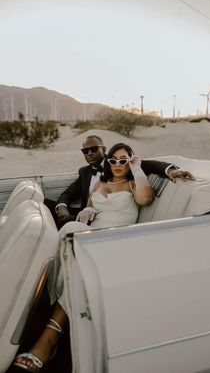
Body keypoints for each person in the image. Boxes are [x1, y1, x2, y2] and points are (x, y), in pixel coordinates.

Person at [14, 143, 155, 371]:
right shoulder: (100, 183)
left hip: (115, 239)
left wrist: (137, 168)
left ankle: (50, 335)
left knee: (74, 242)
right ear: (107, 162)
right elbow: (89, 208)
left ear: (130, 161)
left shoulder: (133, 182)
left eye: (124, 160)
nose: (118, 165)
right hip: (90, 232)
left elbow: (145, 199)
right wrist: (88, 211)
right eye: (113, 160)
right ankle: (41, 305)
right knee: (70, 228)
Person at [45, 134, 195, 228]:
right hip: (88, 218)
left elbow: (152, 166)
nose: (89, 153)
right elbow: (70, 192)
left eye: (93, 149)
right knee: (48, 206)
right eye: (85, 151)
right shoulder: (86, 173)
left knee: (67, 227)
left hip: (111, 228)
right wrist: (63, 209)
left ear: (104, 149)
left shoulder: (129, 174)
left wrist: (172, 170)